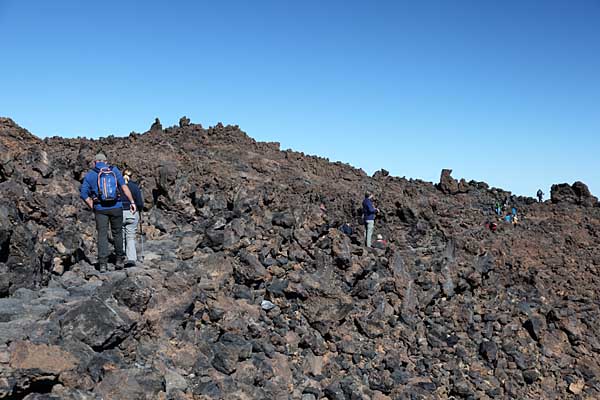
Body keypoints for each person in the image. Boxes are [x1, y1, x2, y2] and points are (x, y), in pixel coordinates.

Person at [80, 153, 136, 272]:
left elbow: (83, 194)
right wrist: (132, 202)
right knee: (117, 233)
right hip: (117, 207)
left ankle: (103, 264)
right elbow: (124, 188)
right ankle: (119, 260)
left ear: (95, 162)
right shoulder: (114, 171)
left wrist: (92, 205)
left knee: (102, 235)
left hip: (100, 209)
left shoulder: (90, 175)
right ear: (105, 162)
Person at [121, 169, 144, 267]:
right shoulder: (134, 187)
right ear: (131, 176)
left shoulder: (118, 186)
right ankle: (131, 258)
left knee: (120, 235)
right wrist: (140, 209)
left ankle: (121, 257)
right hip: (132, 212)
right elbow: (139, 203)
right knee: (130, 236)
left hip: (119, 212)